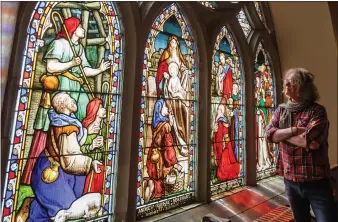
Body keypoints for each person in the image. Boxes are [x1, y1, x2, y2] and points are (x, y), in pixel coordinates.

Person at [22, 16, 110, 185]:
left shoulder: (79, 47)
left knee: (88, 112)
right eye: (80, 27)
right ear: (73, 28)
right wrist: (71, 63)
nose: (83, 29)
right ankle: (61, 161)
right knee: (60, 125)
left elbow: (83, 70)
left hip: (76, 87)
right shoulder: (59, 43)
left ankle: (82, 151)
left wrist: (99, 69)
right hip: (62, 86)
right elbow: (50, 67)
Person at [265, 68, 337, 222]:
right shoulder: (281, 110)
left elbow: (310, 143)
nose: (287, 84)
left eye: (292, 83)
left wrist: (281, 135)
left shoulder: (317, 111)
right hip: (291, 181)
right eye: (286, 82)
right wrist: (295, 130)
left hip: (316, 182)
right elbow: (268, 134)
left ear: (303, 88)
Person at [28, 92, 103, 221]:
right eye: (69, 99)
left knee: (47, 207)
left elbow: (72, 143)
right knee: (67, 209)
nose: (73, 100)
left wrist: (87, 132)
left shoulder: (62, 119)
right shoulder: (66, 128)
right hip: (53, 176)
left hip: (49, 165)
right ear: (63, 105)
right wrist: (90, 162)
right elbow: (70, 159)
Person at [143, 99, 184, 203]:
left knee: (156, 179)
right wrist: (174, 163)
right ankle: (156, 197)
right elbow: (168, 146)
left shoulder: (156, 123)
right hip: (161, 159)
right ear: (159, 109)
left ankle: (150, 185)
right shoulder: (165, 126)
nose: (168, 109)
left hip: (153, 156)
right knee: (160, 181)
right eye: (165, 107)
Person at [212, 98, 240, 182]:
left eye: (221, 110)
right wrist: (213, 131)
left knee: (225, 158)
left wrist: (225, 142)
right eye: (218, 109)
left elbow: (226, 133)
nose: (219, 111)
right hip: (219, 142)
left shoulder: (223, 121)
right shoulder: (219, 121)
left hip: (224, 144)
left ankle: (224, 173)